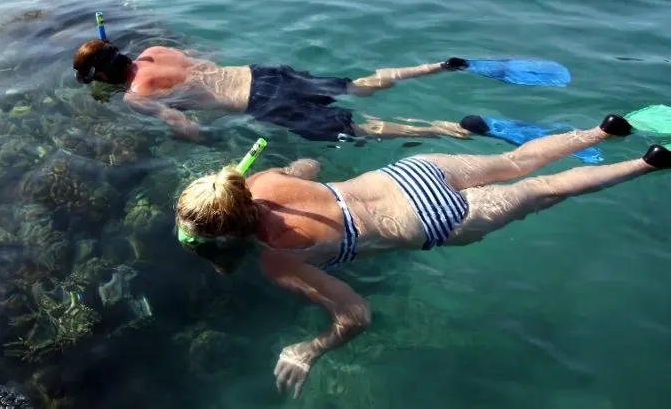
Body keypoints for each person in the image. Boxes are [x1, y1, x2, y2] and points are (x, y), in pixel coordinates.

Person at [173, 112, 670, 399]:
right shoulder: (261, 180)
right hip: (412, 173)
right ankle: (605, 131)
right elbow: (310, 162)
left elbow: (357, 315)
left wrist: (309, 349)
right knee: (517, 162)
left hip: (432, 218)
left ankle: (649, 164)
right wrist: (295, 169)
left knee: (545, 188)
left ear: (228, 231)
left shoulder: (278, 261)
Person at [72, 39, 474, 143]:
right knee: (355, 87)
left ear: (102, 77)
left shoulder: (135, 95)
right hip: (263, 74)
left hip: (259, 102)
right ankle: (433, 67)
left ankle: (445, 129)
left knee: (356, 129)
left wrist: (200, 141)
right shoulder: (155, 51)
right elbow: (209, 57)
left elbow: (182, 125)